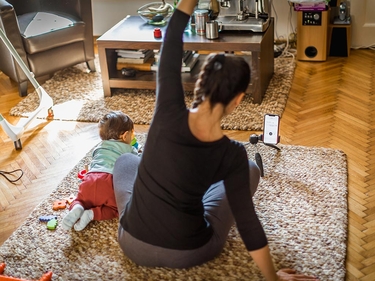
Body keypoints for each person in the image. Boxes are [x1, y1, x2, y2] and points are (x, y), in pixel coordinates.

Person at [112, 1, 319, 280]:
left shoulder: (167, 109)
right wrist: (273, 278)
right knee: (250, 170)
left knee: (125, 161)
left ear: (201, 82)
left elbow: (172, 37)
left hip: (131, 242)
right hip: (190, 250)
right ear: (237, 100)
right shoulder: (231, 155)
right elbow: (248, 224)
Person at [62, 110, 140, 231]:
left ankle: (77, 208)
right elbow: (136, 162)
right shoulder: (129, 149)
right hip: (110, 182)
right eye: (132, 134)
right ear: (125, 136)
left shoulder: (99, 147)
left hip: (89, 179)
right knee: (118, 209)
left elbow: (93, 163)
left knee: (79, 200)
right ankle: (92, 214)